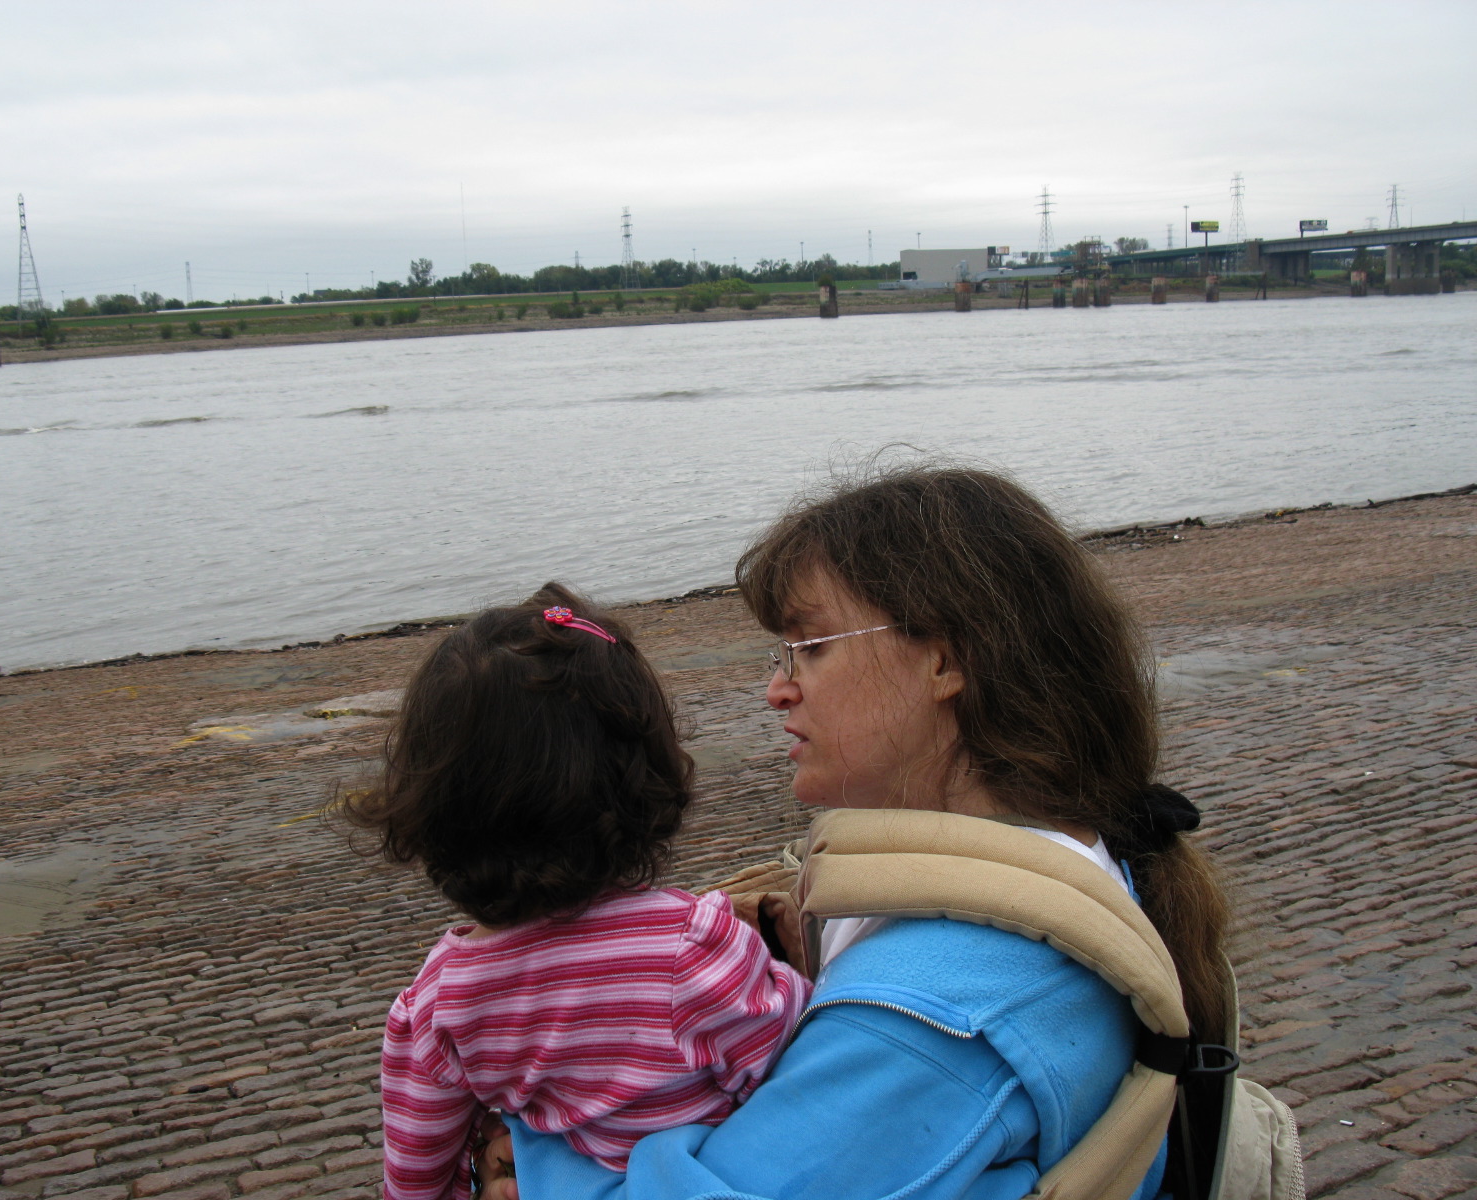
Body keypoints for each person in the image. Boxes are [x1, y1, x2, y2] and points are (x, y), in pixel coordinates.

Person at [479, 464, 1232, 1200]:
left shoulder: (932, 1017)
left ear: (945, 660)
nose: (777, 689)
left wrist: (532, 1147)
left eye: (811, 647)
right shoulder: (1063, 858)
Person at [343, 583, 812, 1200]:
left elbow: (414, 1181)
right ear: (643, 773)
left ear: (430, 805)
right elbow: (804, 1072)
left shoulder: (438, 1004)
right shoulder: (694, 946)